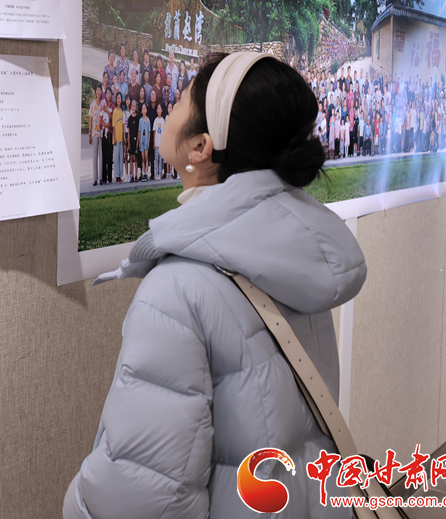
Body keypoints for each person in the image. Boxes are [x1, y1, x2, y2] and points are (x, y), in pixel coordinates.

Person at [64, 52, 366, 518]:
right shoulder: (292, 254)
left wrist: (76, 505)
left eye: (181, 100)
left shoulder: (177, 290)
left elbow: (145, 497)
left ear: (200, 147)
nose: (170, 108)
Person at [88, 86, 104, 186]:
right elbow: (90, 121)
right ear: (96, 91)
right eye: (97, 90)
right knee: (94, 156)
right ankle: (95, 179)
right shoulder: (92, 104)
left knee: (101, 156)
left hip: (102, 134)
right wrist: (89, 134)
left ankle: (101, 178)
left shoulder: (103, 104)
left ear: (101, 92)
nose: (98, 92)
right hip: (94, 133)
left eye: (100, 90)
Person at [126, 98, 140, 182]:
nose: (133, 107)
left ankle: (136, 175)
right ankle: (131, 176)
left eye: (135, 106)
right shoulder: (130, 118)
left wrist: (138, 141)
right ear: (131, 107)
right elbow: (129, 131)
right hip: (131, 140)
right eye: (132, 106)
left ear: (136, 107)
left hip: (136, 140)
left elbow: (138, 131)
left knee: (136, 158)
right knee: (131, 158)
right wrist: (128, 142)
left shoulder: (138, 118)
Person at [112, 92, 125, 183]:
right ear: (116, 100)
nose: (119, 100)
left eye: (120, 98)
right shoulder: (115, 111)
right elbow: (113, 126)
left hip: (122, 138)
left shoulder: (123, 111)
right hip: (116, 138)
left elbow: (124, 125)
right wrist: (114, 138)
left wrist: (124, 137)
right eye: (118, 98)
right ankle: (116, 176)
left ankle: (120, 175)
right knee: (116, 158)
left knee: (121, 157)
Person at [151, 104, 165, 180]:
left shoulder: (163, 120)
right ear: (156, 111)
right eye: (158, 109)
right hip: (156, 144)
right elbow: (154, 132)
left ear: (162, 110)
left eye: (160, 109)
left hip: (161, 144)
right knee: (156, 160)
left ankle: (160, 173)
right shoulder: (156, 120)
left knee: (160, 160)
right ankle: (156, 174)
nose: (159, 110)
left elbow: (164, 133)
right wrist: (154, 143)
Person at [138, 103, 151, 182]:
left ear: (146, 110)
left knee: (146, 157)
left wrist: (148, 142)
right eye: (142, 108)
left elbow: (149, 132)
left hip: (146, 141)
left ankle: (146, 173)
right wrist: (139, 142)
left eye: (144, 108)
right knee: (142, 158)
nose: (143, 110)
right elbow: (139, 131)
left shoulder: (148, 120)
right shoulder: (140, 120)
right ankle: (143, 173)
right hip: (141, 141)